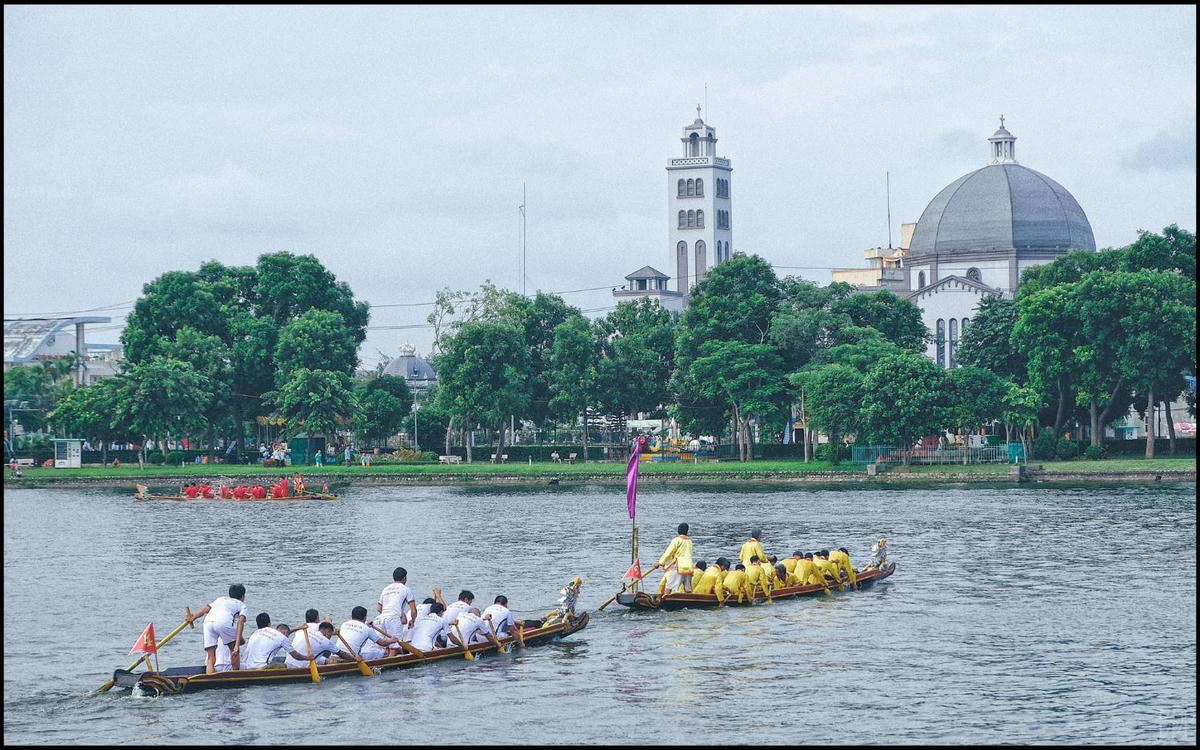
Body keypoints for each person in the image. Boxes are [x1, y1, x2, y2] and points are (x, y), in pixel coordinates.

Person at [188, 583, 248, 673]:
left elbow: (205, 610)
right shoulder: (242, 605)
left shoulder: (220, 599)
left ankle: (209, 678)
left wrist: (193, 617)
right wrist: (236, 645)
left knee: (211, 657)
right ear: (243, 596)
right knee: (234, 652)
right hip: (224, 622)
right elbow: (240, 623)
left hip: (208, 622)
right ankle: (236, 676)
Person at [285, 609, 355, 668]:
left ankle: (326, 660)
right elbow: (342, 653)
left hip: (288, 661)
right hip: (302, 665)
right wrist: (355, 659)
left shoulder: (302, 628)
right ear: (317, 618)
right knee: (327, 650)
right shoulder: (319, 627)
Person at [241, 612, 310, 669]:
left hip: (248, 666)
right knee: (289, 665)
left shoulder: (255, 633)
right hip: (263, 667)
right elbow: (296, 656)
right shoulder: (281, 637)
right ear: (269, 623)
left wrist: (299, 628)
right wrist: (308, 658)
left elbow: (282, 634)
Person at [376, 567, 417, 643]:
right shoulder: (406, 589)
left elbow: (379, 608)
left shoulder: (386, 589)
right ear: (404, 578)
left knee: (387, 644)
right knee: (395, 646)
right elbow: (413, 611)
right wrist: (413, 620)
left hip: (381, 619)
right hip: (394, 619)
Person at [658, 522, 695, 594]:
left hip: (679, 566)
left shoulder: (676, 540)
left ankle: (665, 598)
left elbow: (669, 552)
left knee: (669, 585)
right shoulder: (689, 542)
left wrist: (660, 562)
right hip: (689, 567)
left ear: (678, 531)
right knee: (688, 588)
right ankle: (689, 601)